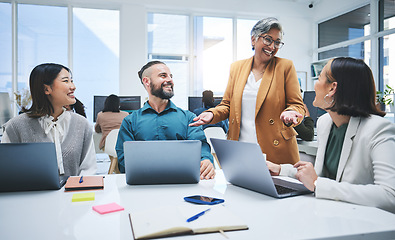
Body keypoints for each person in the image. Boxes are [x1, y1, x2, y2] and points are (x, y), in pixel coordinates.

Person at [267, 57, 395, 213]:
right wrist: (280, 169)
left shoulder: (379, 129)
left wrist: (316, 184)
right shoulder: (325, 123)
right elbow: (320, 178)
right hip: (330, 213)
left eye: (320, 77)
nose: (315, 85)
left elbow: (389, 196)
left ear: (332, 88)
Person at [190, 17, 305, 165]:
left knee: (277, 188)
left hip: (276, 147)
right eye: (268, 39)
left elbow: (297, 104)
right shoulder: (237, 68)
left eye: (277, 42)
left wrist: (291, 111)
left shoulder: (285, 66)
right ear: (253, 40)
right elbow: (227, 105)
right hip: (242, 147)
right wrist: (212, 114)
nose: (272, 46)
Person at [116, 61, 215, 179]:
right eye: (163, 76)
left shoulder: (189, 118)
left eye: (171, 76)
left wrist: (206, 160)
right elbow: (124, 159)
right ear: (146, 81)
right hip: (143, 185)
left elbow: (201, 147)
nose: (170, 80)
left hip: (183, 184)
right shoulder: (130, 121)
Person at [1, 63, 97, 176]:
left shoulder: (82, 124)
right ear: (46, 89)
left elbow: (88, 170)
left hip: (73, 193)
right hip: (31, 193)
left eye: (71, 81)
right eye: (66, 81)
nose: (73, 86)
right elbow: (6, 170)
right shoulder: (16, 126)